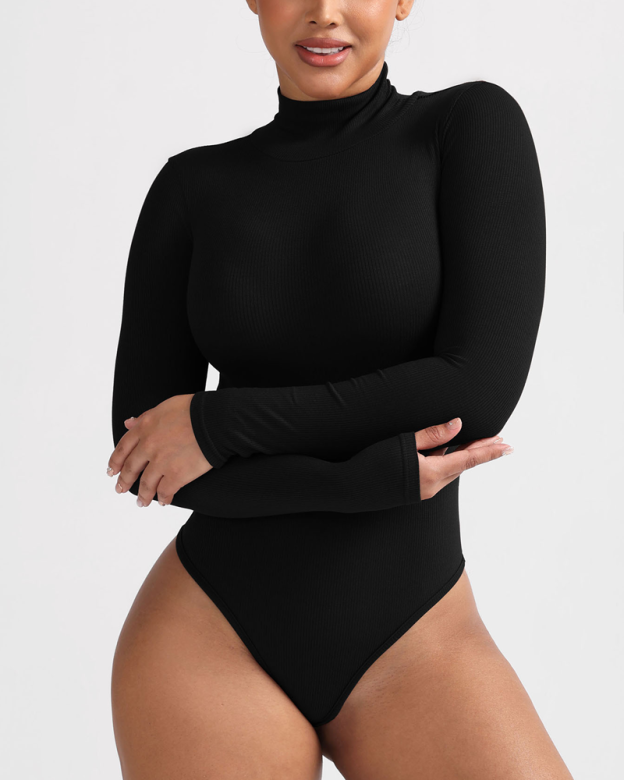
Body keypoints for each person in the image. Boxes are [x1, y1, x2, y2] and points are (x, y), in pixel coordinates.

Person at [108, 1, 574, 778]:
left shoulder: (465, 129)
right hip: (210, 635)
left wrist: (222, 425)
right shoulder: (192, 188)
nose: (325, 14)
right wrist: (359, 482)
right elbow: (147, 458)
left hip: (417, 638)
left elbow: (474, 391)